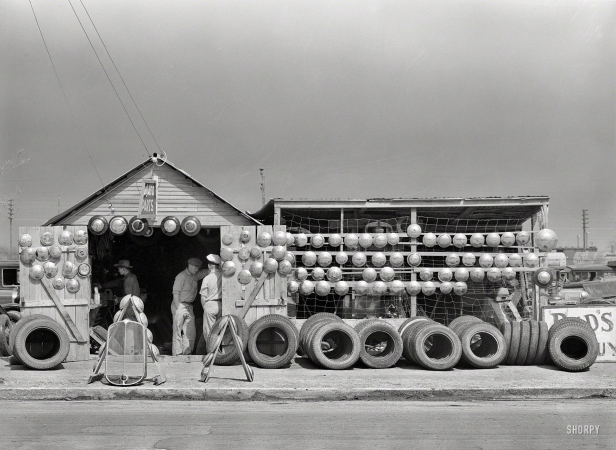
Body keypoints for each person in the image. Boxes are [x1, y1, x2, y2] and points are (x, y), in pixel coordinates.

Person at [171, 257, 208, 355]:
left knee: (190, 331)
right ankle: (177, 355)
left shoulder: (195, 275)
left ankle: (187, 353)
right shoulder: (181, 276)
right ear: (190, 266)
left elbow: (207, 272)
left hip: (189, 307)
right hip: (179, 305)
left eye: (198, 268)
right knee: (177, 331)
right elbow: (176, 293)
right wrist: (178, 308)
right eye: (196, 267)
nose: (197, 270)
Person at [200, 254, 223, 342]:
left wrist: (205, 308)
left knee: (209, 332)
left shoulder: (207, 278)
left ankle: (211, 352)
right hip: (221, 305)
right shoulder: (223, 276)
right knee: (219, 330)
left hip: (210, 305)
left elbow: (203, 296)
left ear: (209, 266)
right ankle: (219, 352)